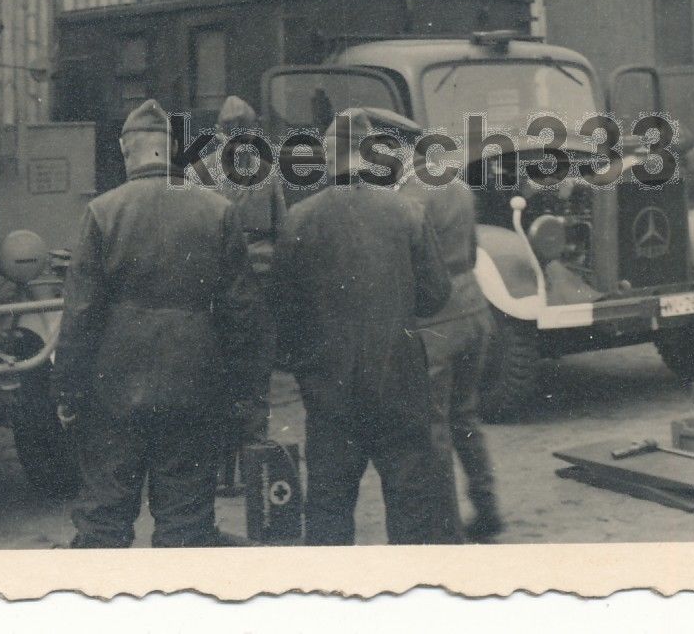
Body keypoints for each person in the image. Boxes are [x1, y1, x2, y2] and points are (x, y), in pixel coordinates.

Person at [51, 99, 243, 548]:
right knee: (186, 525)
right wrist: (243, 396)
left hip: (113, 393)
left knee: (103, 522)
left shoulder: (102, 212)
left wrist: (68, 392)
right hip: (194, 388)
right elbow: (241, 314)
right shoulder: (217, 211)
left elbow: (80, 313)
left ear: (126, 151)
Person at [273, 109, 458, 545]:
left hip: (330, 390)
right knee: (411, 508)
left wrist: (306, 366)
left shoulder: (299, 219)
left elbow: (283, 310)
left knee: (329, 507)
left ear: (326, 158)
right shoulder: (408, 213)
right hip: (399, 384)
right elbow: (436, 294)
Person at [398, 146, 504, 542]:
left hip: (436, 322)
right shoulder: (459, 188)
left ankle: (445, 526)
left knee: (434, 425)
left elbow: (407, 263)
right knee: (465, 416)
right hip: (473, 310)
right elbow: (472, 253)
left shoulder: (410, 196)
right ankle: (487, 506)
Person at [214, 95, 287, 486]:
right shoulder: (268, 172)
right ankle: (255, 468)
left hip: (222, 284)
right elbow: (283, 229)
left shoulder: (208, 171)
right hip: (261, 283)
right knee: (257, 379)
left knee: (222, 377)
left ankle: (224, 474)